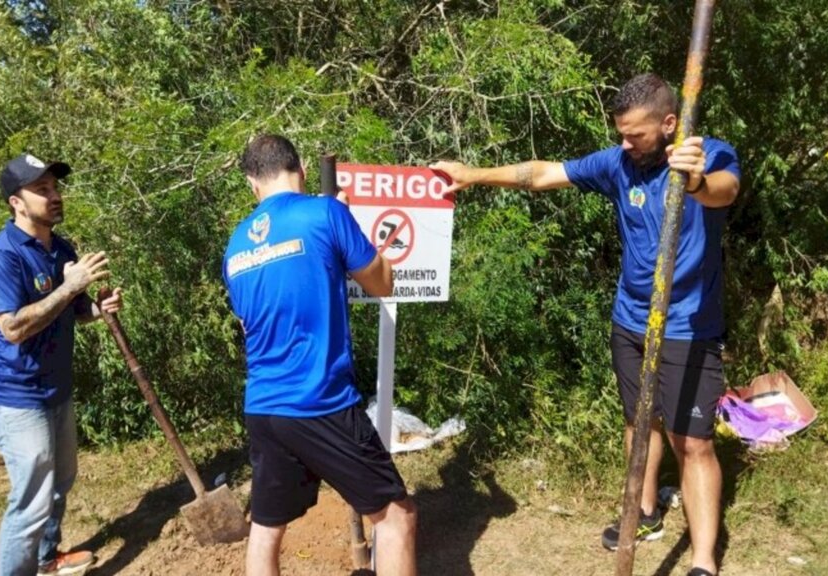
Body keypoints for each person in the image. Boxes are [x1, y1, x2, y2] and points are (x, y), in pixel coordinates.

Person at [431, 73, 740, 576]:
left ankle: (703, 559)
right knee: (638, 421)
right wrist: (474, 174)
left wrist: (697, 180)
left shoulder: (706, 155)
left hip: (688, 324)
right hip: (631, 318)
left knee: (695, 442)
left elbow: (725, 191)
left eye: (635, 134)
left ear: (668, 124)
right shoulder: (619, 163)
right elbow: (543, 173)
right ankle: (642, 512)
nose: (624, 143)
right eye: (620, 132)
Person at [223, 135, 418, 576]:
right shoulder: (326, 212)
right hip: (320, 401)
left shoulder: (235, 246)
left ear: (252, 184)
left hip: (263, 406)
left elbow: (250, 320)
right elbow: (381, 283)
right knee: (395, 516)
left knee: (267, 529)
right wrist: (348, 220)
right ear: (302, 168)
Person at [0, 153, 123, 576]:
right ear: (16, 203)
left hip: (57, 387)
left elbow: (71, 311)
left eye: (55, 188)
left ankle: (46, 559)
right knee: (31, 503)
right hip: (17, 396)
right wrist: (72, 284)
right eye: (42, 190)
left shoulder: (60, 249)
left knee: (61, 481)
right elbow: (15, 329)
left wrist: (98, 309)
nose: (55, 196)